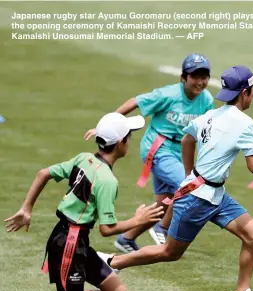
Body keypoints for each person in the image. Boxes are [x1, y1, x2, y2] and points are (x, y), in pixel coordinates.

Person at [97, 65, 253, 291]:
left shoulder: (208, 115)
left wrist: (189, 173)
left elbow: (187, 139)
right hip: (197, 199)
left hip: (215, 195)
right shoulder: (245, 123)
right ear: (245, 93)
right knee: (170, 252)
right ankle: (111, 261)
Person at [5, 112, 163, 291]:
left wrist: (27, 208)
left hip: (73, 240)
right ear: (120, 143)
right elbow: (107, 230)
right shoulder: (108, 181)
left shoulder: (83, 158)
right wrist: (138, 220)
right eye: (129, 137)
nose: (130, 141)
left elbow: (43, 173)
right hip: (70, 245)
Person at [83, 54, 215, 253]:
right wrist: (107, 124)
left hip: (179, 152)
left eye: (204, 76)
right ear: (184, 78)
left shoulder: (206, 100)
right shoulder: (168, 95)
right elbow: (134, 101)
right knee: (189, 185)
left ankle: (126, 239)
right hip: (158, 148)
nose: (200, 82)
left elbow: (206, 129)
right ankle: (162, 227)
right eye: (195, 76)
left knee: (164, 203)